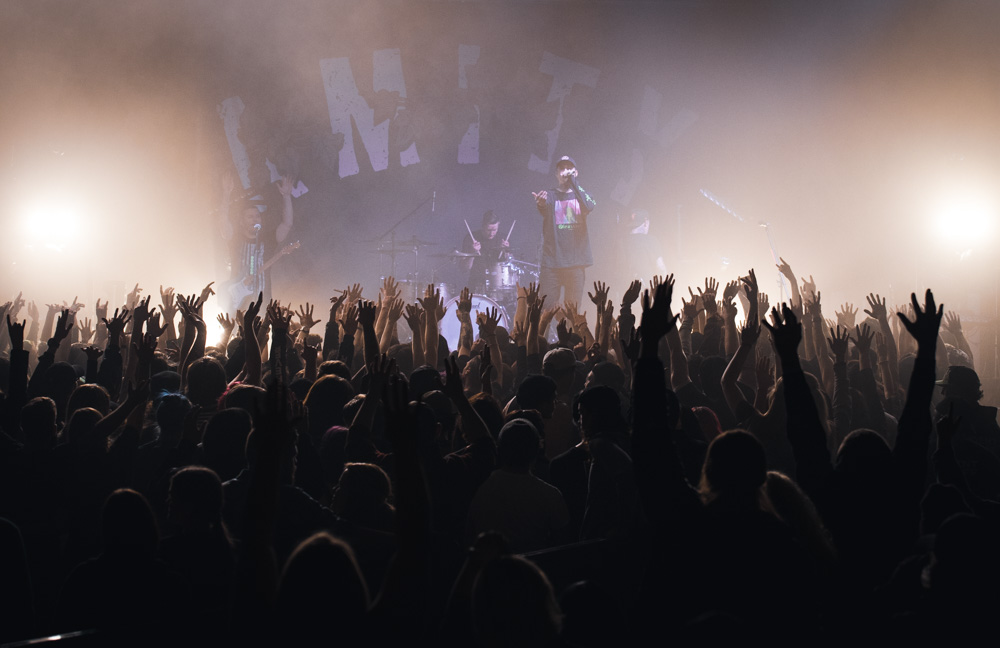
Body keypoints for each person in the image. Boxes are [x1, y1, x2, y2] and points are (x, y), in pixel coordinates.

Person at [218, 173, 295, 311]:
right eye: (250, 217)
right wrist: (226, 194)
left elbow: (287, 224)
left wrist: (286, 196)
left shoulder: (268, 240)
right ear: (241, 222)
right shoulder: (235, 239)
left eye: (257, 216)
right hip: (237, 303)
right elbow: (223, 221)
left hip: (263, 303)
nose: (255, 219)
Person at [532, 155, 597, 305]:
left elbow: (590, 205)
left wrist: (574, 182)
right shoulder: (550, 195)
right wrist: (540, 204)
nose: (566, 171)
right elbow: (543, 207)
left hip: (576, 263)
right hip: (552, 264)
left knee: (572, 311)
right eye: (562, 168)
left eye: (569, 168)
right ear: (556, 174)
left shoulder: (583, 195)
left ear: (576, 172)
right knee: (546, 310)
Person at [461, 210, 511, 293]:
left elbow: (510, 264)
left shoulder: (503, 239)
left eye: (494, 230)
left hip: (498, 287)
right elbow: (464, 268)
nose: (491, 233)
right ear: (482, 225)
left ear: (498, 225)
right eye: (488, 230)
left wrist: (507, 251)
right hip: (476, 285)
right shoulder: (470, 238)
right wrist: (473, 253)